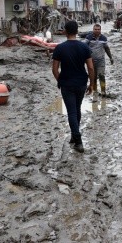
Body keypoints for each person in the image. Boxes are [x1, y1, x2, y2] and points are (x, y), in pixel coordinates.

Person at [51, 20, 95, 153]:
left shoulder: (59, 48)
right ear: (76, 31)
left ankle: (78, 140)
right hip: (81, 83)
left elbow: (54, 69)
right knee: (77, 109)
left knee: (71, 111)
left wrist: (61, 80)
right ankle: (74, 135)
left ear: (65, 31)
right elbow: (91, 68)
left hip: (67, 84)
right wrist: (91, 84)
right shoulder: (84, 47)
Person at [84, 23, 114, 101]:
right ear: (93, 30)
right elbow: (84, 47)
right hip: (91, 61)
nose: (97, 31)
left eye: (98, 29)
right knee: (93, 77)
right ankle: (95, 91)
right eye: (95, 29)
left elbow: (107, 48)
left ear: (100, 30)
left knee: (101, 75)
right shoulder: (88, 37)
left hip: (101, 60)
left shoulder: (103, 38)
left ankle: (103, 91)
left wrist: (111, 58)